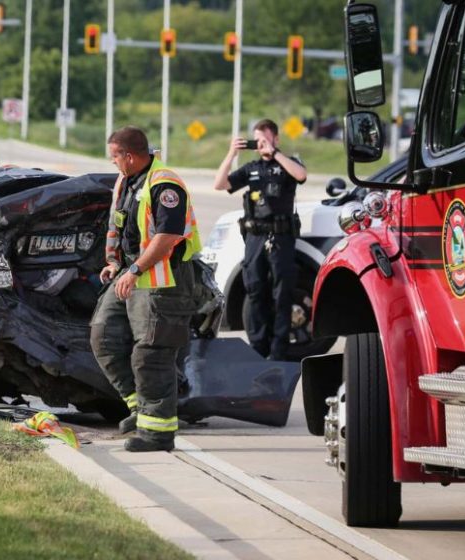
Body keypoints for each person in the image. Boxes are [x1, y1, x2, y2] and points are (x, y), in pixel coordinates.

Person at [91, 126, 202, 453]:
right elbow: (121, 225)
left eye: (115, 156)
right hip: (131, 273)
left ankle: (157, 433)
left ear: (129, 155)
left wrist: (136, 268)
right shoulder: (126, 181)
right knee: (104, 334)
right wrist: (115, 263)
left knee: (151, 354)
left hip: (163, 279)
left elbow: (168, 236)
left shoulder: (164, 183)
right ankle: (140, 410)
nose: (113, 162)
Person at [213, 119, 308, 361]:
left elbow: (301, 175)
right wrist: (231, 153)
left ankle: (279, 349)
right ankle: (258, 348)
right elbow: (220, 184)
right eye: (257, 140)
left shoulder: (288, 164)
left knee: (282, 292)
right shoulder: (251, 168)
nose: (261, 144)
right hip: (255, 237)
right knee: (255, 290)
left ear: (276, 139)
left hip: (281, 237)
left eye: (265, 139)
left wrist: (275, 153)